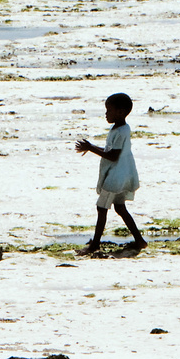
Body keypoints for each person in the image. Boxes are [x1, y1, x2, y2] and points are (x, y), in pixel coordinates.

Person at [74, 92, 146, 253]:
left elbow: (113, 156)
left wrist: (91, 148)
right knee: (120, 207)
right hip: (122, 173)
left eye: (109, 110)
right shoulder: (120, 128)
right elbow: (110, 151)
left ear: (120, 112)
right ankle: (139, 240)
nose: (106, 114)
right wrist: (92, 147)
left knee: (102, 208)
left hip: (116, 176)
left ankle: (94, 245)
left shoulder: (120, 132)